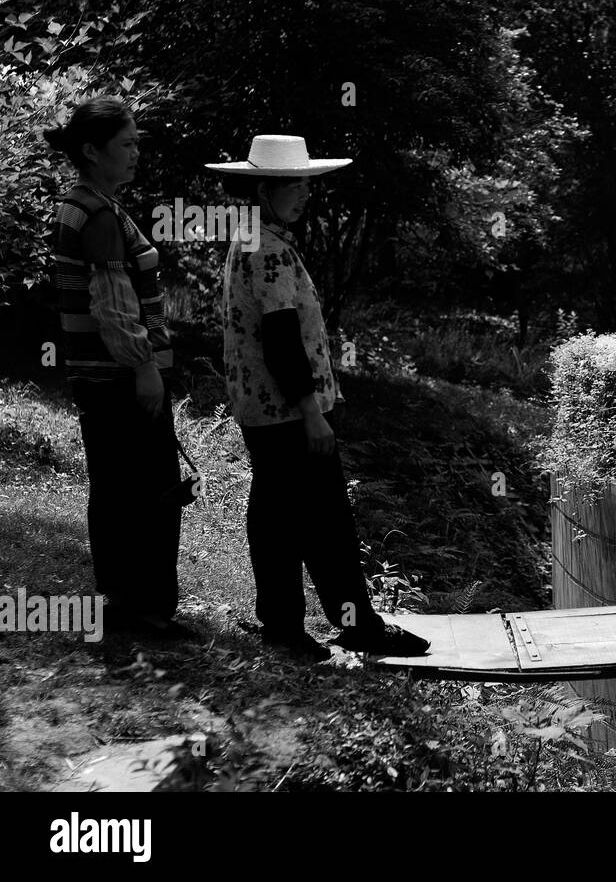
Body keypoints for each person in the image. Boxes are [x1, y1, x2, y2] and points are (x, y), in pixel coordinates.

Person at [209, 135, 429, 660]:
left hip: (265, 408)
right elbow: (283, 340)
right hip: (285, 410)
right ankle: (348, 625)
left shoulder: (259, 238)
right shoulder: (265, 247)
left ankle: (288, 626)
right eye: (295, 184)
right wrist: (312, 413)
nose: (305, 192)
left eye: (306, 182)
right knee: (323, 519)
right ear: (265, 188)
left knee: (277, 516)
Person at [44, 98, 190, 639]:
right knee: (150, 491)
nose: (136, 153)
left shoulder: (86, 203)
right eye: (126, 144)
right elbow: (114, 302)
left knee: (114, 490)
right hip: (120, 377)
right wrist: (145, 367)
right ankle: (146, 609)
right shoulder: (100, 214)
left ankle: (122, 604)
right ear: (91, 150)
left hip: (97, 377)